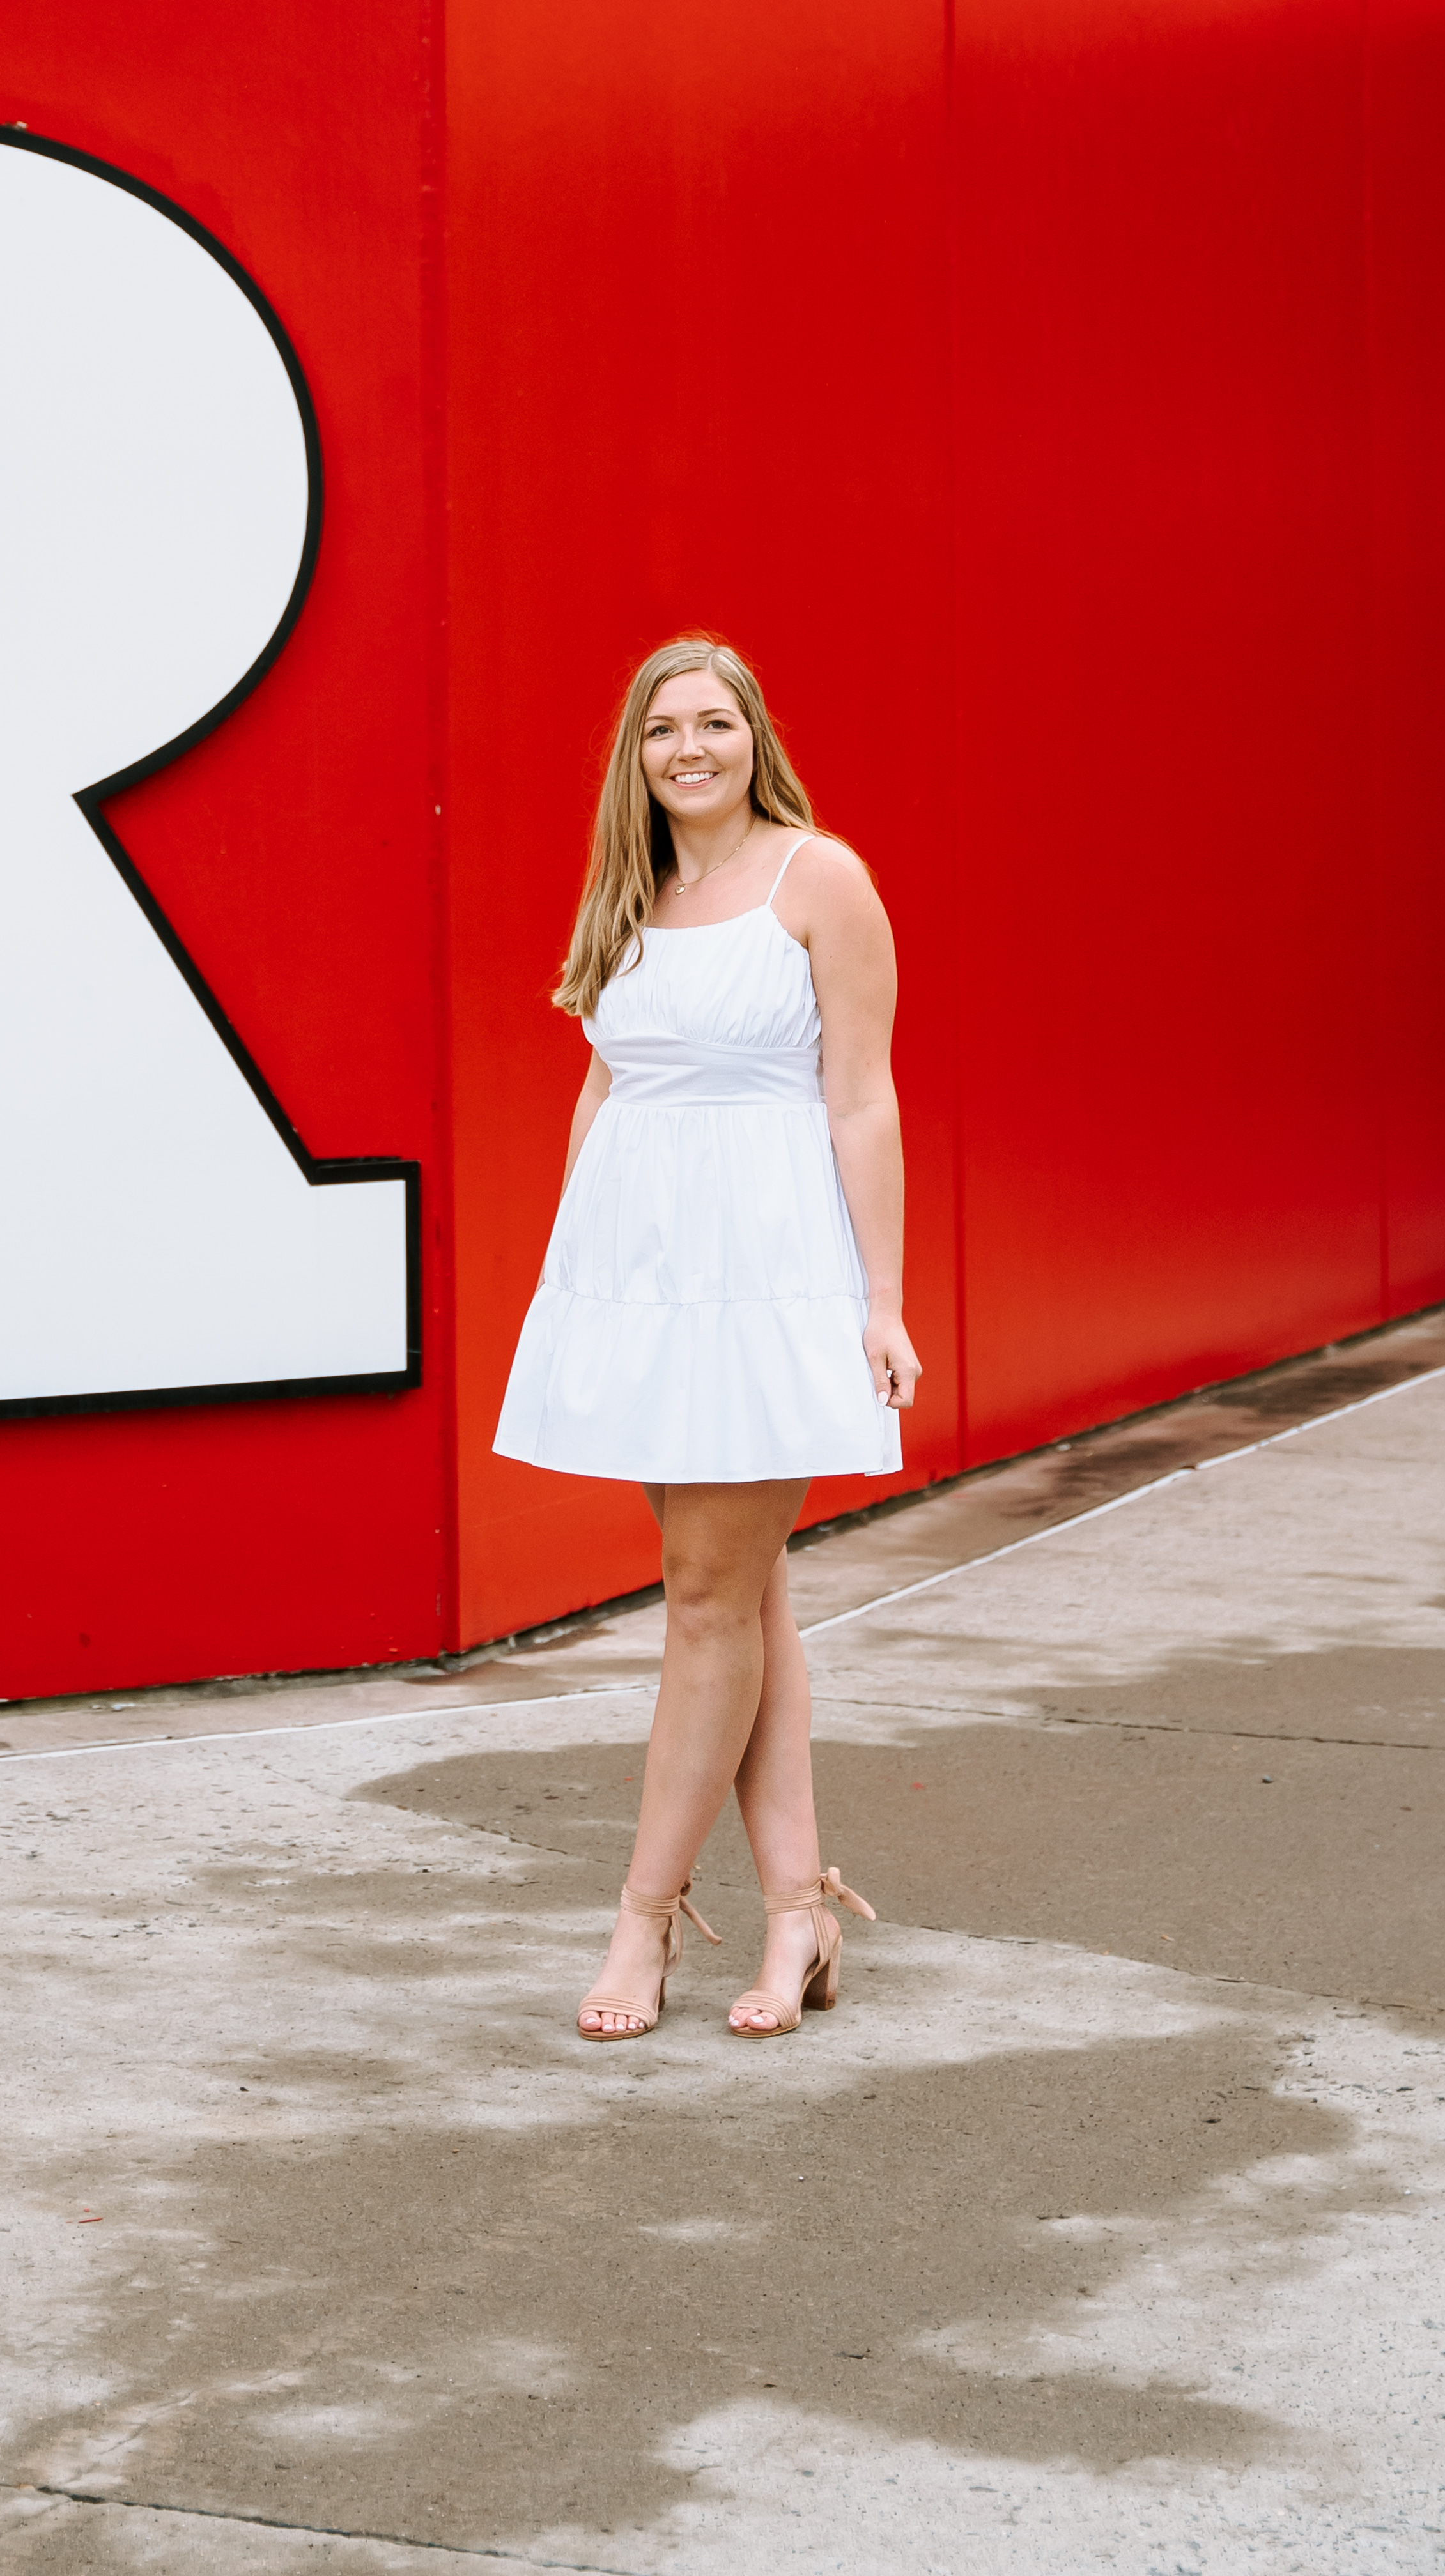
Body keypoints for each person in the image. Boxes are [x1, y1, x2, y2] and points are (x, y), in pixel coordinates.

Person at [493, 634, 921, 2040]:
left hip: (769, 1283)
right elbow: (605, 1089)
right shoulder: (631, 896)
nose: (690, 747)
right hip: (642, 1285)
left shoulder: (820, 879)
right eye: (662, 728)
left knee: (699, 1599)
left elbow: (860, 1100)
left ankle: (642, 1922)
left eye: (713, 723)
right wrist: (573, 1282)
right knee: (741, 1600)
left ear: (753, 738)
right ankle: (796, 1910)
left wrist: (879, 1303)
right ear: (634, 756)